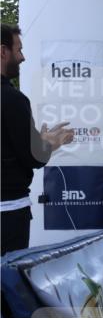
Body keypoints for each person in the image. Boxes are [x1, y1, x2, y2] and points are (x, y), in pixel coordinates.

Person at [1, 24, 74, 254]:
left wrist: (38, 139)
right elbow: (33, 157)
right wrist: (52, 143)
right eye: (19, 49)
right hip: (8, 212)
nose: (22, 57)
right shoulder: (12, 99)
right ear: (3, 51)